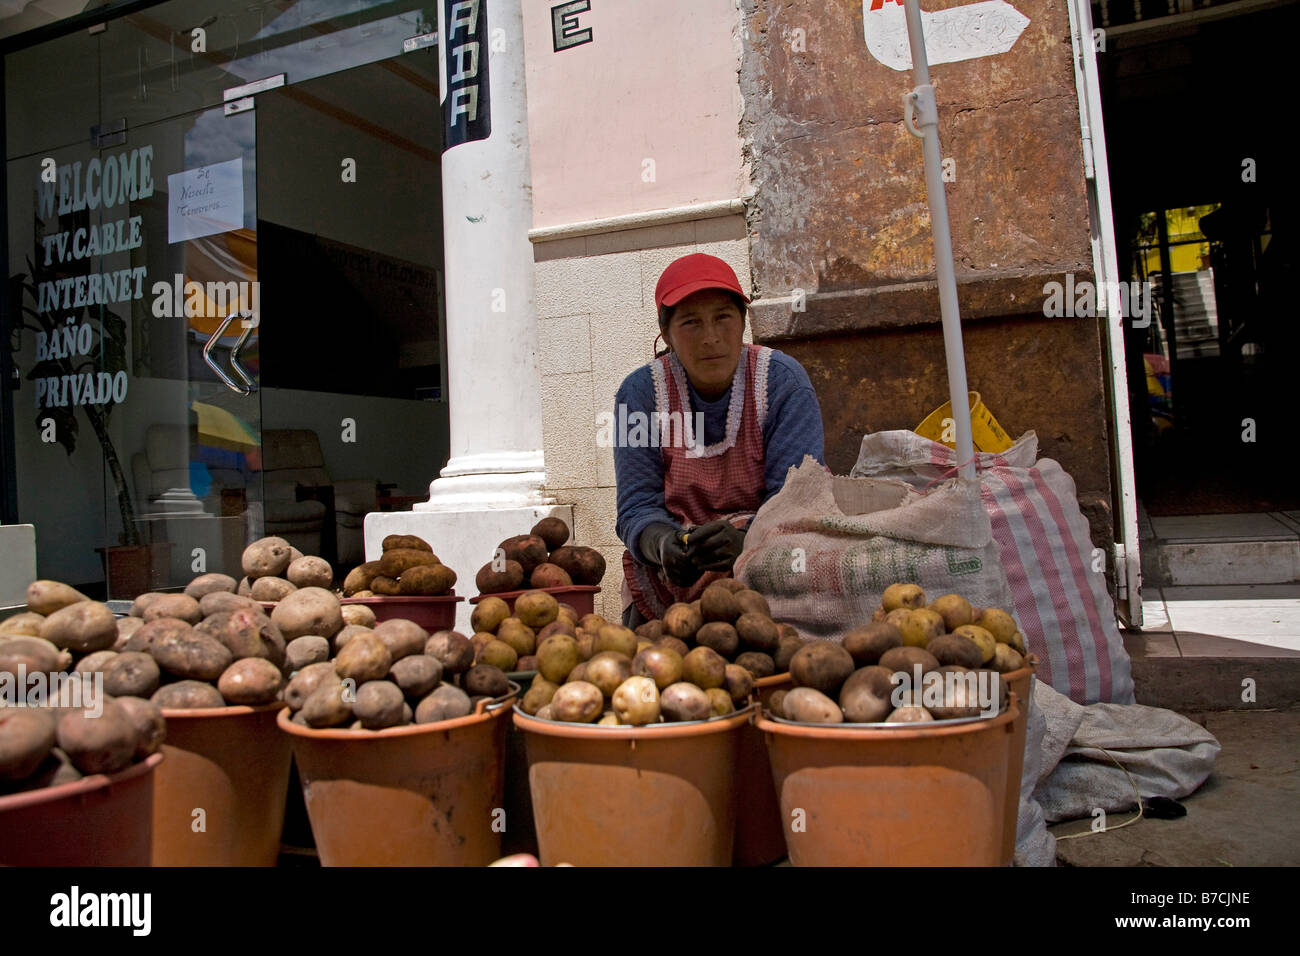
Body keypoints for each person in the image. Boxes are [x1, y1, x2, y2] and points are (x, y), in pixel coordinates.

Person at [614, 253, 825, 627]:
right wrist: (664, 545)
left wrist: (749, 544)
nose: (710, 337)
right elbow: (636, 508)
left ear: (743, 322)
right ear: (667, 334)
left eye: (723, 318)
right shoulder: (640, 394)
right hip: (670, 581)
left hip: (770, 565)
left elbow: (796, 502)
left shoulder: (782, 383)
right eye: (691, 323)